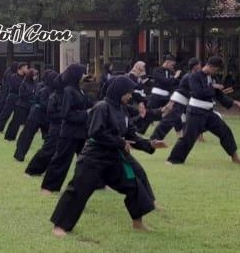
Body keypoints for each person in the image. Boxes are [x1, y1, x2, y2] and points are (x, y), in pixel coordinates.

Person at [50, 75, 168, 237]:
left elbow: (131, 135)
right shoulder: (102, 107)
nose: (130, 96)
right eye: (128, 93)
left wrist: (150, 144)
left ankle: (138, 223)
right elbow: (96, 132)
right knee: (78, 190)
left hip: (114, 159)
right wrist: (120, 142)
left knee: (134, 185)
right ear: (119, 91)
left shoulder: (123, 110)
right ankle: (60, 226)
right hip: (93, 157)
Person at [167, 56, 240, 165]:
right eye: (216, 70)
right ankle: (173, 160)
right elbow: (198, 92)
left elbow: (220, 95)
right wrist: (213, 87)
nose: (216, 72)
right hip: (195, 112)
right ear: (210, 66)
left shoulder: (212, 78)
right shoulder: (194, 77)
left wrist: (235, 103)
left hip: (209, 113)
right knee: (188, 137)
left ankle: (235, 157)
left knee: (225, 131)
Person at [41, 64, 90, 193]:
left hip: (81, 132)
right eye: (83, 73)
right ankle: (48, 187)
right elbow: (66, 114)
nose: (84, 76)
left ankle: (96, 183)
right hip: (69, 132)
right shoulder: (69, 91)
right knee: (62, 160)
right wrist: (86, 114)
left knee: (88, 160)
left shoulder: (80, 90)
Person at [150, 58, 201, 141]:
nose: (201, 67)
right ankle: (155, 138)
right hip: (178, 100)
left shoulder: (192, 76)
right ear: (195, 66)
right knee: (169, 120)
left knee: (189, 118)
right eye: (200, 65)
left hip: (182, 100)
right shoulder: (189, 76)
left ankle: (189, 136)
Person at [14, 69, 55, 162]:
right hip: (36, 114)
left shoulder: (51, 88)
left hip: (45, 116)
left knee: (50, 137)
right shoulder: (40, 86)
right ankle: (19, 154)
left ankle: (47, 157)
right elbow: (38, 100)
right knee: (27, 135)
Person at [0, 62, 28, 135]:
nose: (27, 69)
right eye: (25, 67)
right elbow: (16, 87)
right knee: (5, 114)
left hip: (20, 99)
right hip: (12, 97)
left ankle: (11, 132)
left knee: (18, 116)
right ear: (21, 68)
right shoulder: (13, 76)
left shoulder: (26, 77)